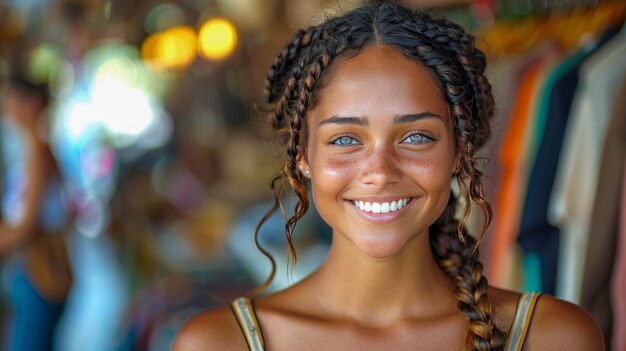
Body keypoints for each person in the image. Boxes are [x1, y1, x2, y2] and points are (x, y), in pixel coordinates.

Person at [173, 3, 604, 350]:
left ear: (458, 150)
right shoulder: (221, 343)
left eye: (416, 136)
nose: (380, 172)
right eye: (345, 139)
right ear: (303, 155)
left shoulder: (550, 337)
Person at [0, 73, 73, 350]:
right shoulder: (33, 149)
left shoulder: (38, 152)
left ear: (31, 104)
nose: (5, 108)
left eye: (10, 100)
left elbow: (25, 224)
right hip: (32, 268)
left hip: (37, 270)